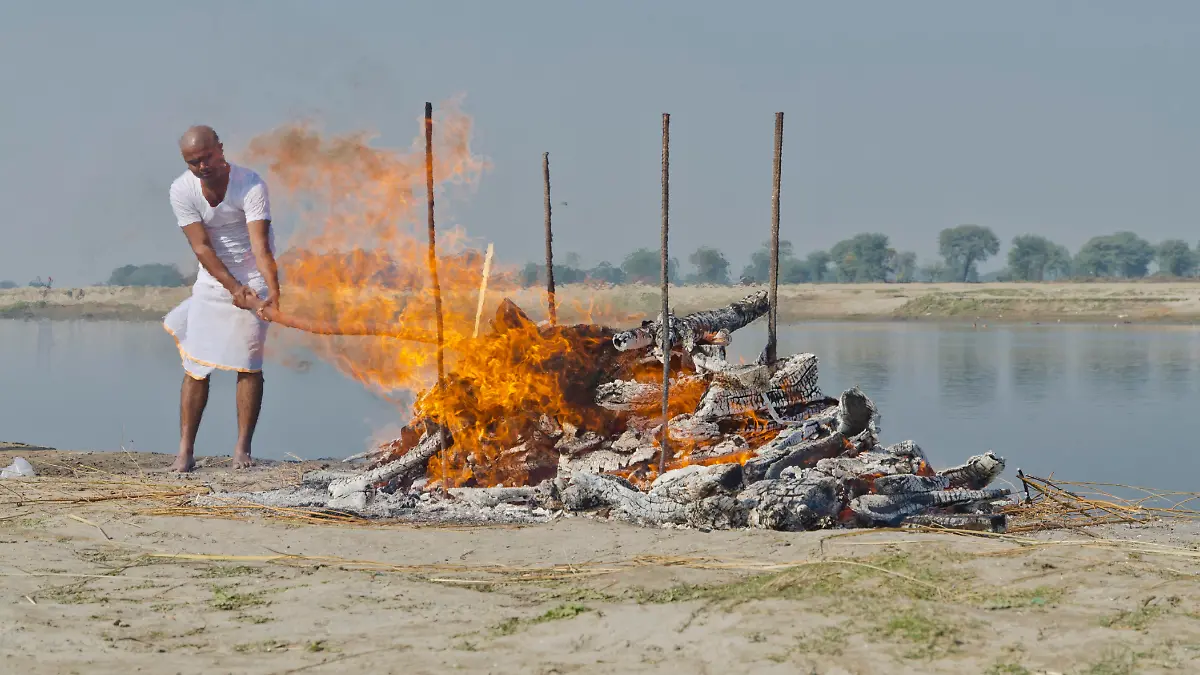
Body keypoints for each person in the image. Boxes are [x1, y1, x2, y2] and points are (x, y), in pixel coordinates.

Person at [162, 125, 280, 473]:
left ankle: (242, 448)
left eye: (207, 157)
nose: (202, 166)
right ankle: (185, 450)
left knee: (249, 363)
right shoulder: (181, 190)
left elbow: (260, 244)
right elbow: (201, 246)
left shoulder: (251, 184)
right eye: (193, 162)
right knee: (196, 365)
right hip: (214, 279)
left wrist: (271, 290)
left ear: (221, 150)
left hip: (254, 274)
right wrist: (231, 287)